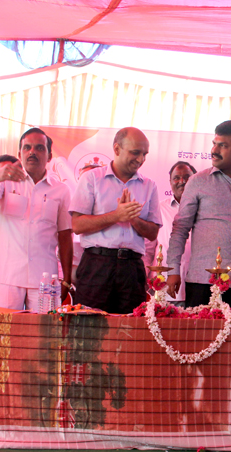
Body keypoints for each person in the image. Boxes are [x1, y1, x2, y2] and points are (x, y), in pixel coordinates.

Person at [166, 120, 231, 316]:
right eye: (214, 144)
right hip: (203, 282)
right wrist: (173, 271)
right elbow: (180, 229)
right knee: (199, 334)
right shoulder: (198, 181)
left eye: (223, 145)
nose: (214, 150)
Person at [0, 128, 73, 310]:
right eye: (27, 147)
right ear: (19, 154)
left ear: (49, 156)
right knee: (5, 326)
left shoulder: (61, 190)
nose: (32, 152)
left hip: (44, 277)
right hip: (7, 275)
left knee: (44, 327)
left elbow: (65, 235)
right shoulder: (5, 181)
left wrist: (66, 279)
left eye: (39, 148)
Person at [69, 127, 161, 314]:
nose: (141, 159)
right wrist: (116, 216)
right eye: (135, 152)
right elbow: (77, 225)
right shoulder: (92, 179)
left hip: (132, 268)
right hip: (96, 265)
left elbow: (153, 233)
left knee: (130, 326)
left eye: (145, 154)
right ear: (117, 149)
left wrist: (133, 219)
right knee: (89, 324)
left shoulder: (149, 185)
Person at [144, 161, 196, 306]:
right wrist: (143, 277)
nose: (182, 181)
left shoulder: (206, 211)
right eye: (176, 178)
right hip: (164, 288)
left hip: (198, 288)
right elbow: (148, 249)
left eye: (187, 177)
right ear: (170, 182)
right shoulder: (158, 209)